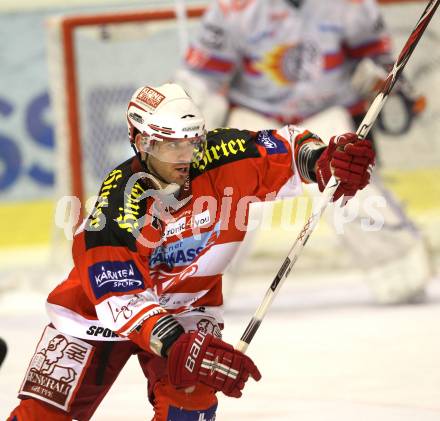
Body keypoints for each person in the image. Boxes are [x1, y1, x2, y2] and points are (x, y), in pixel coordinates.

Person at [8, 83, 374, 420]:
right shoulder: (118, 207)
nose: (185, 156)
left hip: (189, 306)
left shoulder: (223, 154)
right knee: (41, 416)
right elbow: (119, 297)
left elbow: (290, 150)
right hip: (97, 316)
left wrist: (325, 160)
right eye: (171, 145)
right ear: (141, 142)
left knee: (191, 400)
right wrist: (175, 344)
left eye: (192, 142)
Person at [175, 0, 431, 304]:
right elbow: (200, 78)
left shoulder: (351, 5)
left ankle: (400, 271)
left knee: (351, 185)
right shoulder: (235, 8)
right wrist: (185, 122)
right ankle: (192, 286)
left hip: (323, 116)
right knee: (230, 195)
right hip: (256, 119)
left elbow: (381, 59)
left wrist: (381, 78)